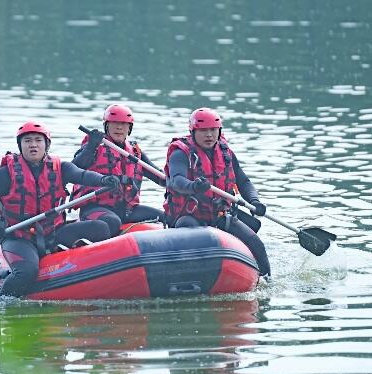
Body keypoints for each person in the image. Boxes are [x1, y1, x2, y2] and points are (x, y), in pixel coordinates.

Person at [0, 121, 119, 297]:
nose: (33, 144)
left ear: (46, 145)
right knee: (26, 272)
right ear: (20, 146)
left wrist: (104, 180)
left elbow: (82, 175)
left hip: (53, 232)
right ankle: (2, 307)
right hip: (19, 237)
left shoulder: (60, 168)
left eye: (37, 140)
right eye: (27, 141)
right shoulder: (6, 174)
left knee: (101, 228)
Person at [163, 107, 271, 277]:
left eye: (213, 130)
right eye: (203, 130)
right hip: (188, 216)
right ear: (193, 132)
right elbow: (176, 181)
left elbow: (243, 181)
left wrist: (254, 201)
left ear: (219, 131)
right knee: (189, 232)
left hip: (219, 214)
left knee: (255, 243)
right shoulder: (180, 153)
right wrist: (194, 186)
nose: (209, 135)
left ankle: (266, 281)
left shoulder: (225, 152)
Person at [71, 104, 165, 237]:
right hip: (96, 207)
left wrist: (178, 181)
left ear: (129, 128)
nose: (119, 127)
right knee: (112, 222)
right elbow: (74, 170)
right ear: (106, 126)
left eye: (124, 124)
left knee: (164, 217)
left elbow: (159, 177)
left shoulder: (134, 152)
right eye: (114, 123)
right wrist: (90, 147)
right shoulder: (94, 146)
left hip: (127, 210)